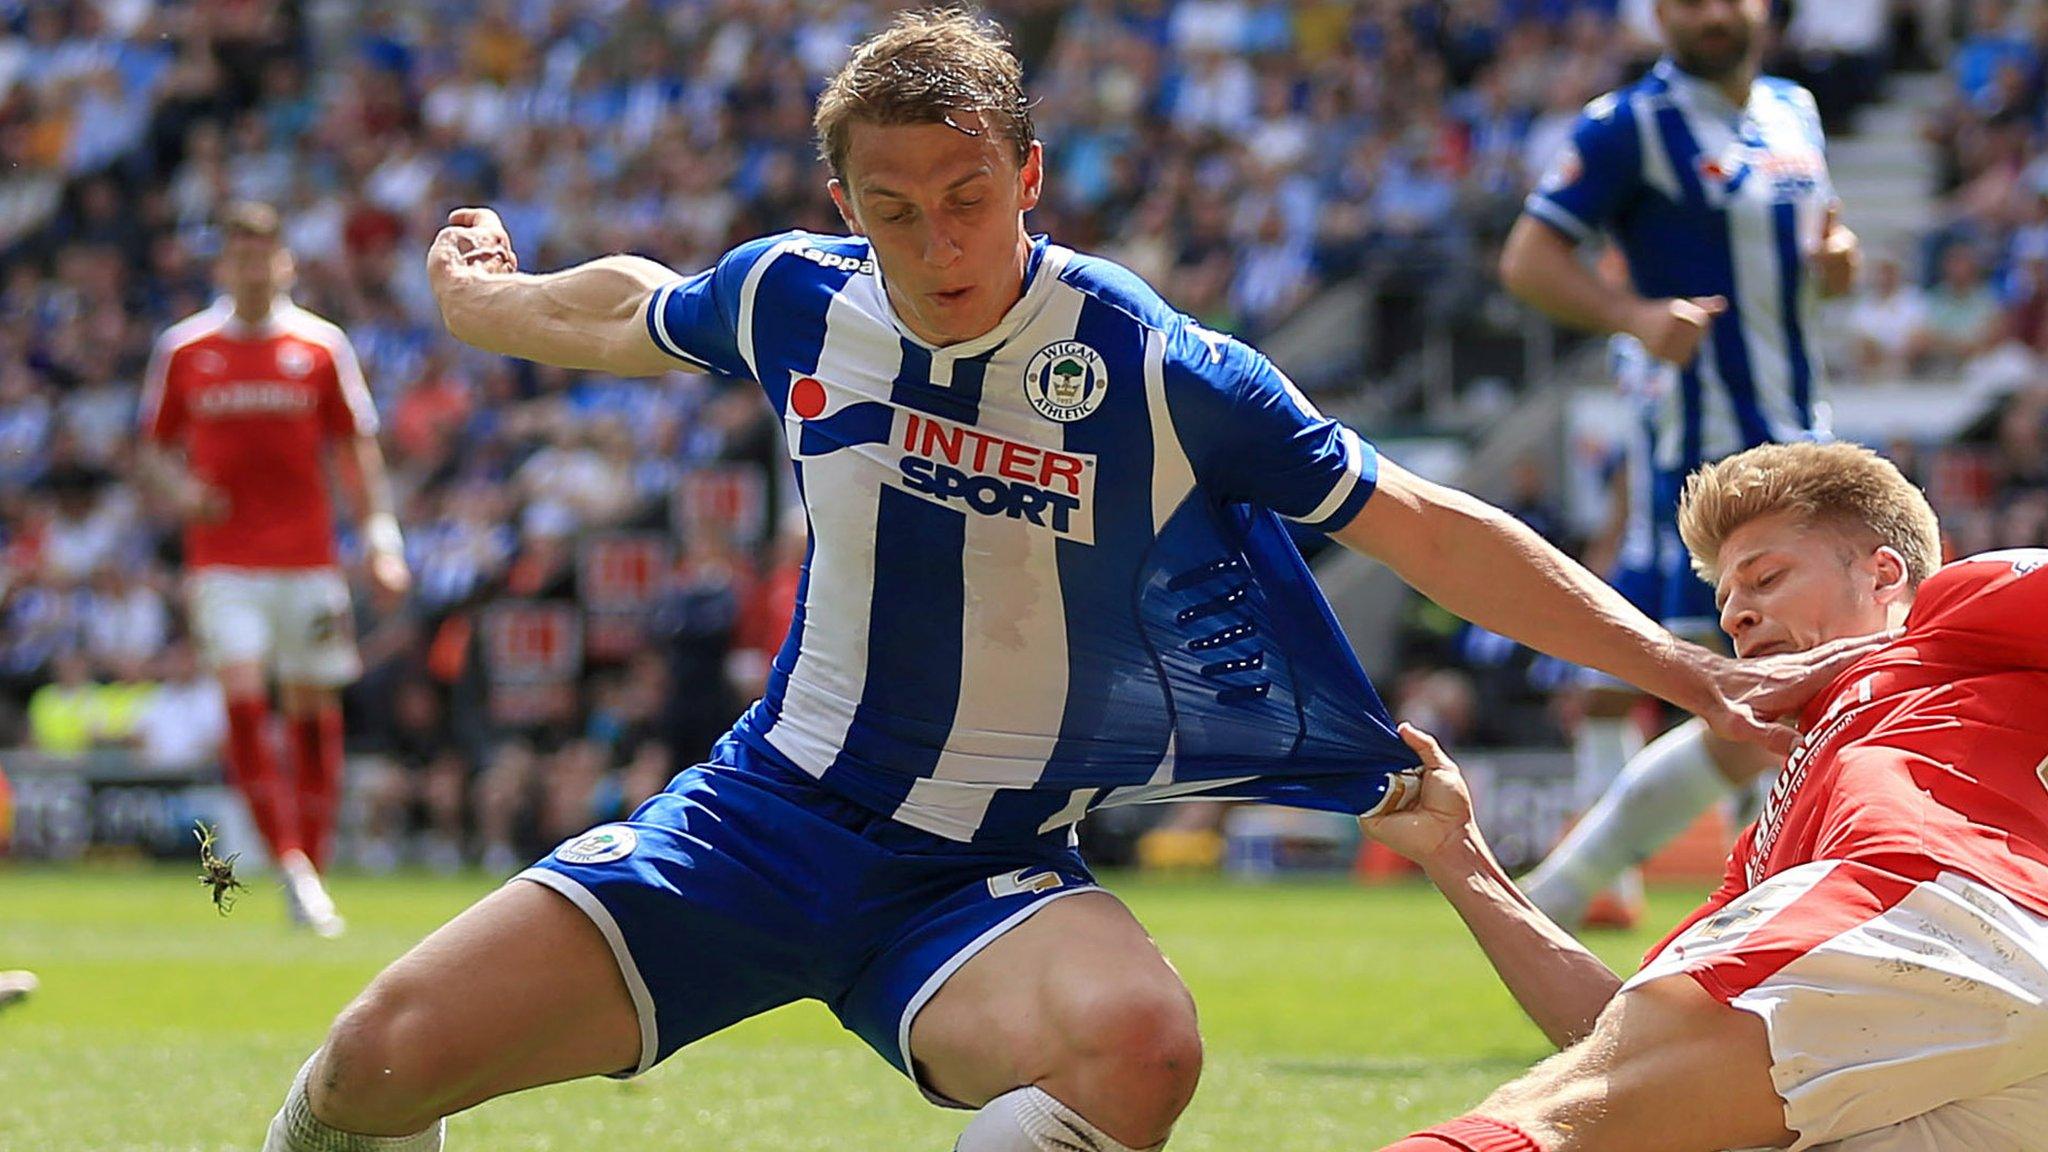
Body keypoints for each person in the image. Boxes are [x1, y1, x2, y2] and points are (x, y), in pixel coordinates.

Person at [260, 13, 1878, 1152]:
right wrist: (486, 306)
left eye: (967, 199)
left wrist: (1687, 677)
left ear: (1026, 178)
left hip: (979, 880)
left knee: (1141, 1040)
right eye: (891, 210)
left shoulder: (1149, 363)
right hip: (759, 822)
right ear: (843, 204)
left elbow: (1423, 525)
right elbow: (637, 308)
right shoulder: (801, 302)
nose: (935, 240)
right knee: (371, 1068)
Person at [1362, 439, 2048, 1152]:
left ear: (1883, 573)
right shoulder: (1771, 843)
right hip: (1991, 1028)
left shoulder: (1949, 616)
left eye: (1766, 578)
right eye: (1725, 599)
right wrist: (1458, 856)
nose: (1734, 618)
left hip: (1939, 902)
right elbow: (1630, 1044)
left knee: (1556, 1116)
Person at [1499, 0, 1863, 929]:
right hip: (1710, 452)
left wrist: (1837, 260)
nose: (1708, 12)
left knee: (1769, 698)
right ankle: (1570, 890)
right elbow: (1529, 258)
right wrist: (1632, 316)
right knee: (1761, 702)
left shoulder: (1793, 109)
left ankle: (1740, 895)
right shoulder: (1629, 126)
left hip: (1804, 435)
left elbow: (1820, 236)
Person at [139, 201, 410, 937]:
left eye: (265, 254)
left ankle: (309, 869)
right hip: (223, 562)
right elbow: (152, 449)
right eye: (238, 255)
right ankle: (290, 863)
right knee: (245, 695)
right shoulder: (186, 349)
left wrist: (381, 539)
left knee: (314, 711)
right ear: (222, 265)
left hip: (309, 561)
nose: (253, 268)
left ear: (285, 262)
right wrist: (181, 490)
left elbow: (357, 450)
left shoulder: (320, 347)